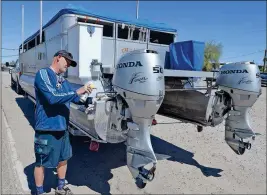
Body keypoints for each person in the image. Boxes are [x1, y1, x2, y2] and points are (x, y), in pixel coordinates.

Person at [33, 50, 93, 195]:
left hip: (62, 127)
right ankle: (40, 192)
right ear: (58, 58)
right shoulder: (43, 74)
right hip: (47, 128)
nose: (69, 66)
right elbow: (53, 97)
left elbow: (73, 97)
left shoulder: (62, 80)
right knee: (41, 162)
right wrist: (78, 92)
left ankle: (60, 188)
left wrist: (86, 97)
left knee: (63, 159)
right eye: (67, 62)